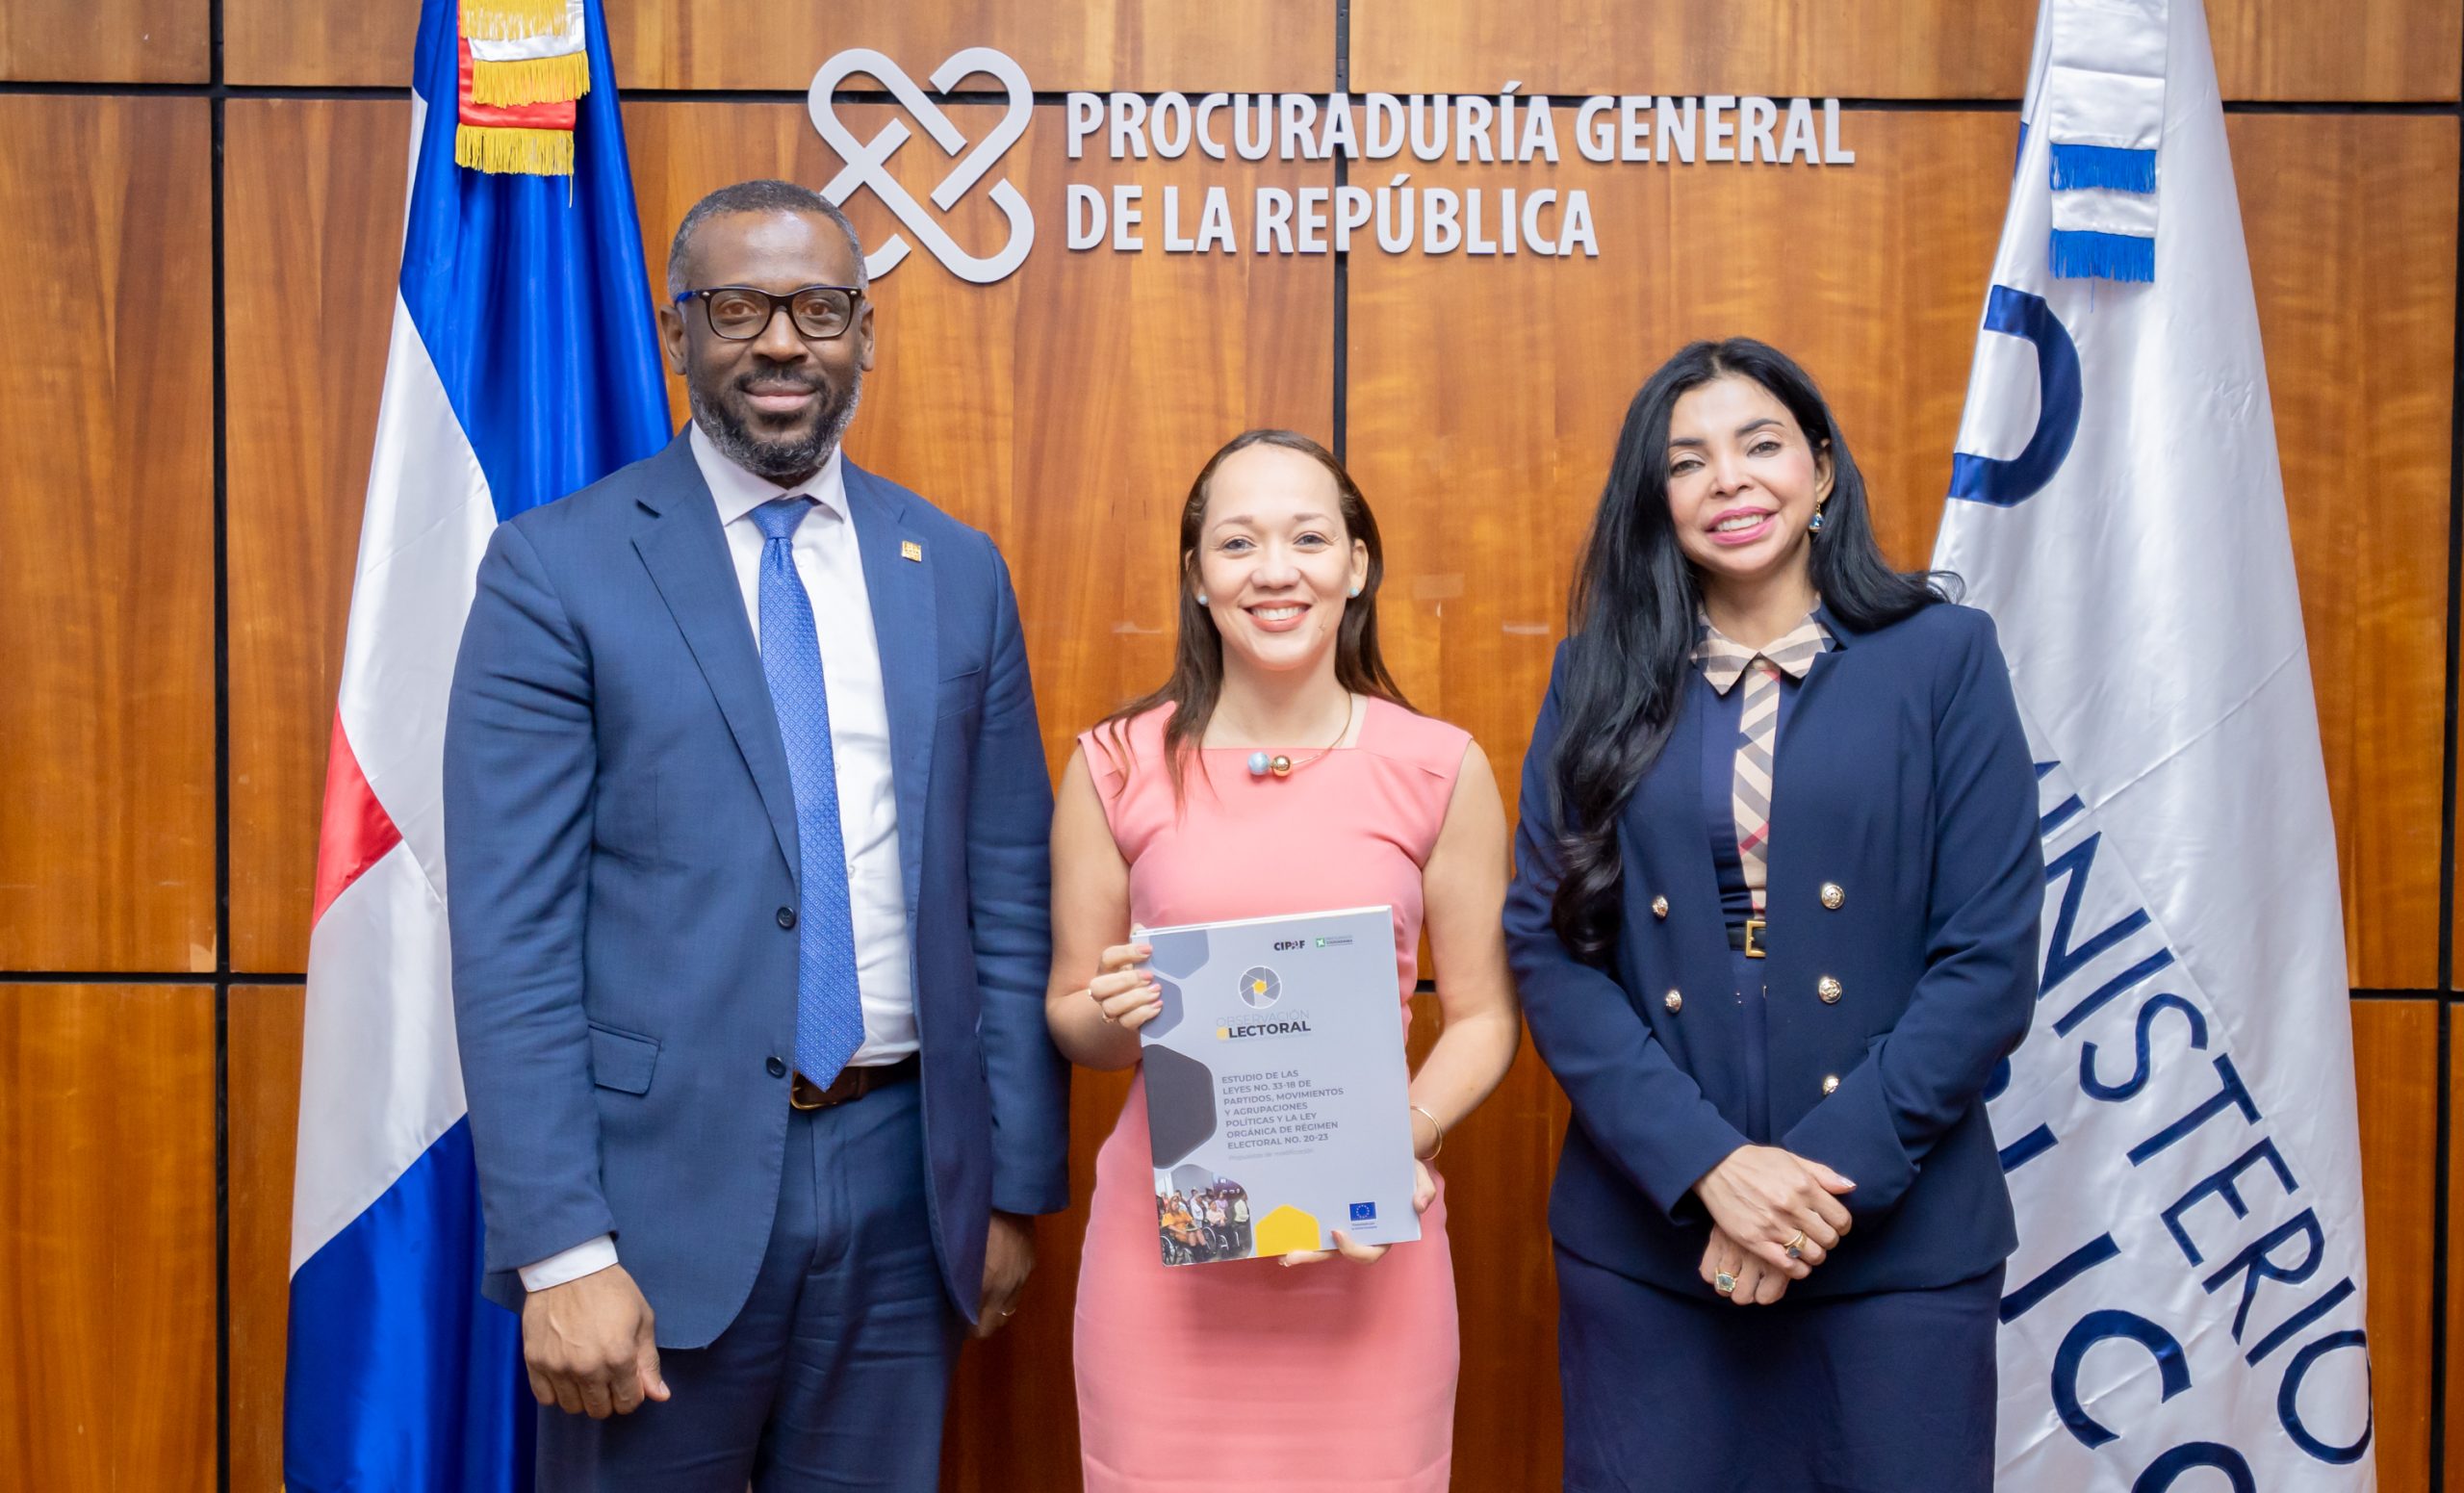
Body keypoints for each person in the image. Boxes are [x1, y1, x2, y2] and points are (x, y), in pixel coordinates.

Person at [443, 179, 1068, 1491]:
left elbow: (1007, 897)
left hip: (907, 1192)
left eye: (818, 310)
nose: (782, 343)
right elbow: (512, 939)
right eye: (738, 308)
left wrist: (1010, 1186)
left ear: (865, 334)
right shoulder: (556, 570)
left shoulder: (955, 569)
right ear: (679, 332)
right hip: (651, 1209)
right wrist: (562, 1250)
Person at [1503, 339, 2042, 1490]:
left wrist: (1802, 1194)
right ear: (1655, 497)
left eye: (1761, 446)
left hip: (1896, 1246)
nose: (1729, 481)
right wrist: (1709, 1168)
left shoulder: (1943, 658)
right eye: (1686, 461)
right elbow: (1550, 951)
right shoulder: (1593, 676)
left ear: (1822, 469)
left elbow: (1987, 961)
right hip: (1653, 1246)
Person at [1048, 430, 1521, 1492]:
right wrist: (1116, 1013)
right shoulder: (1113, 764)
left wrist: (1393, 1141)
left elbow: (1486, 1016)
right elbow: (1073, 1019)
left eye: (1308, 538)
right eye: (1237, 542)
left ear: (1356, 566)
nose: (1274, 570)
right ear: (1195, 575)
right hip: (1164, 1261)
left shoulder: (1437, 765)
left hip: (1369, 1250)